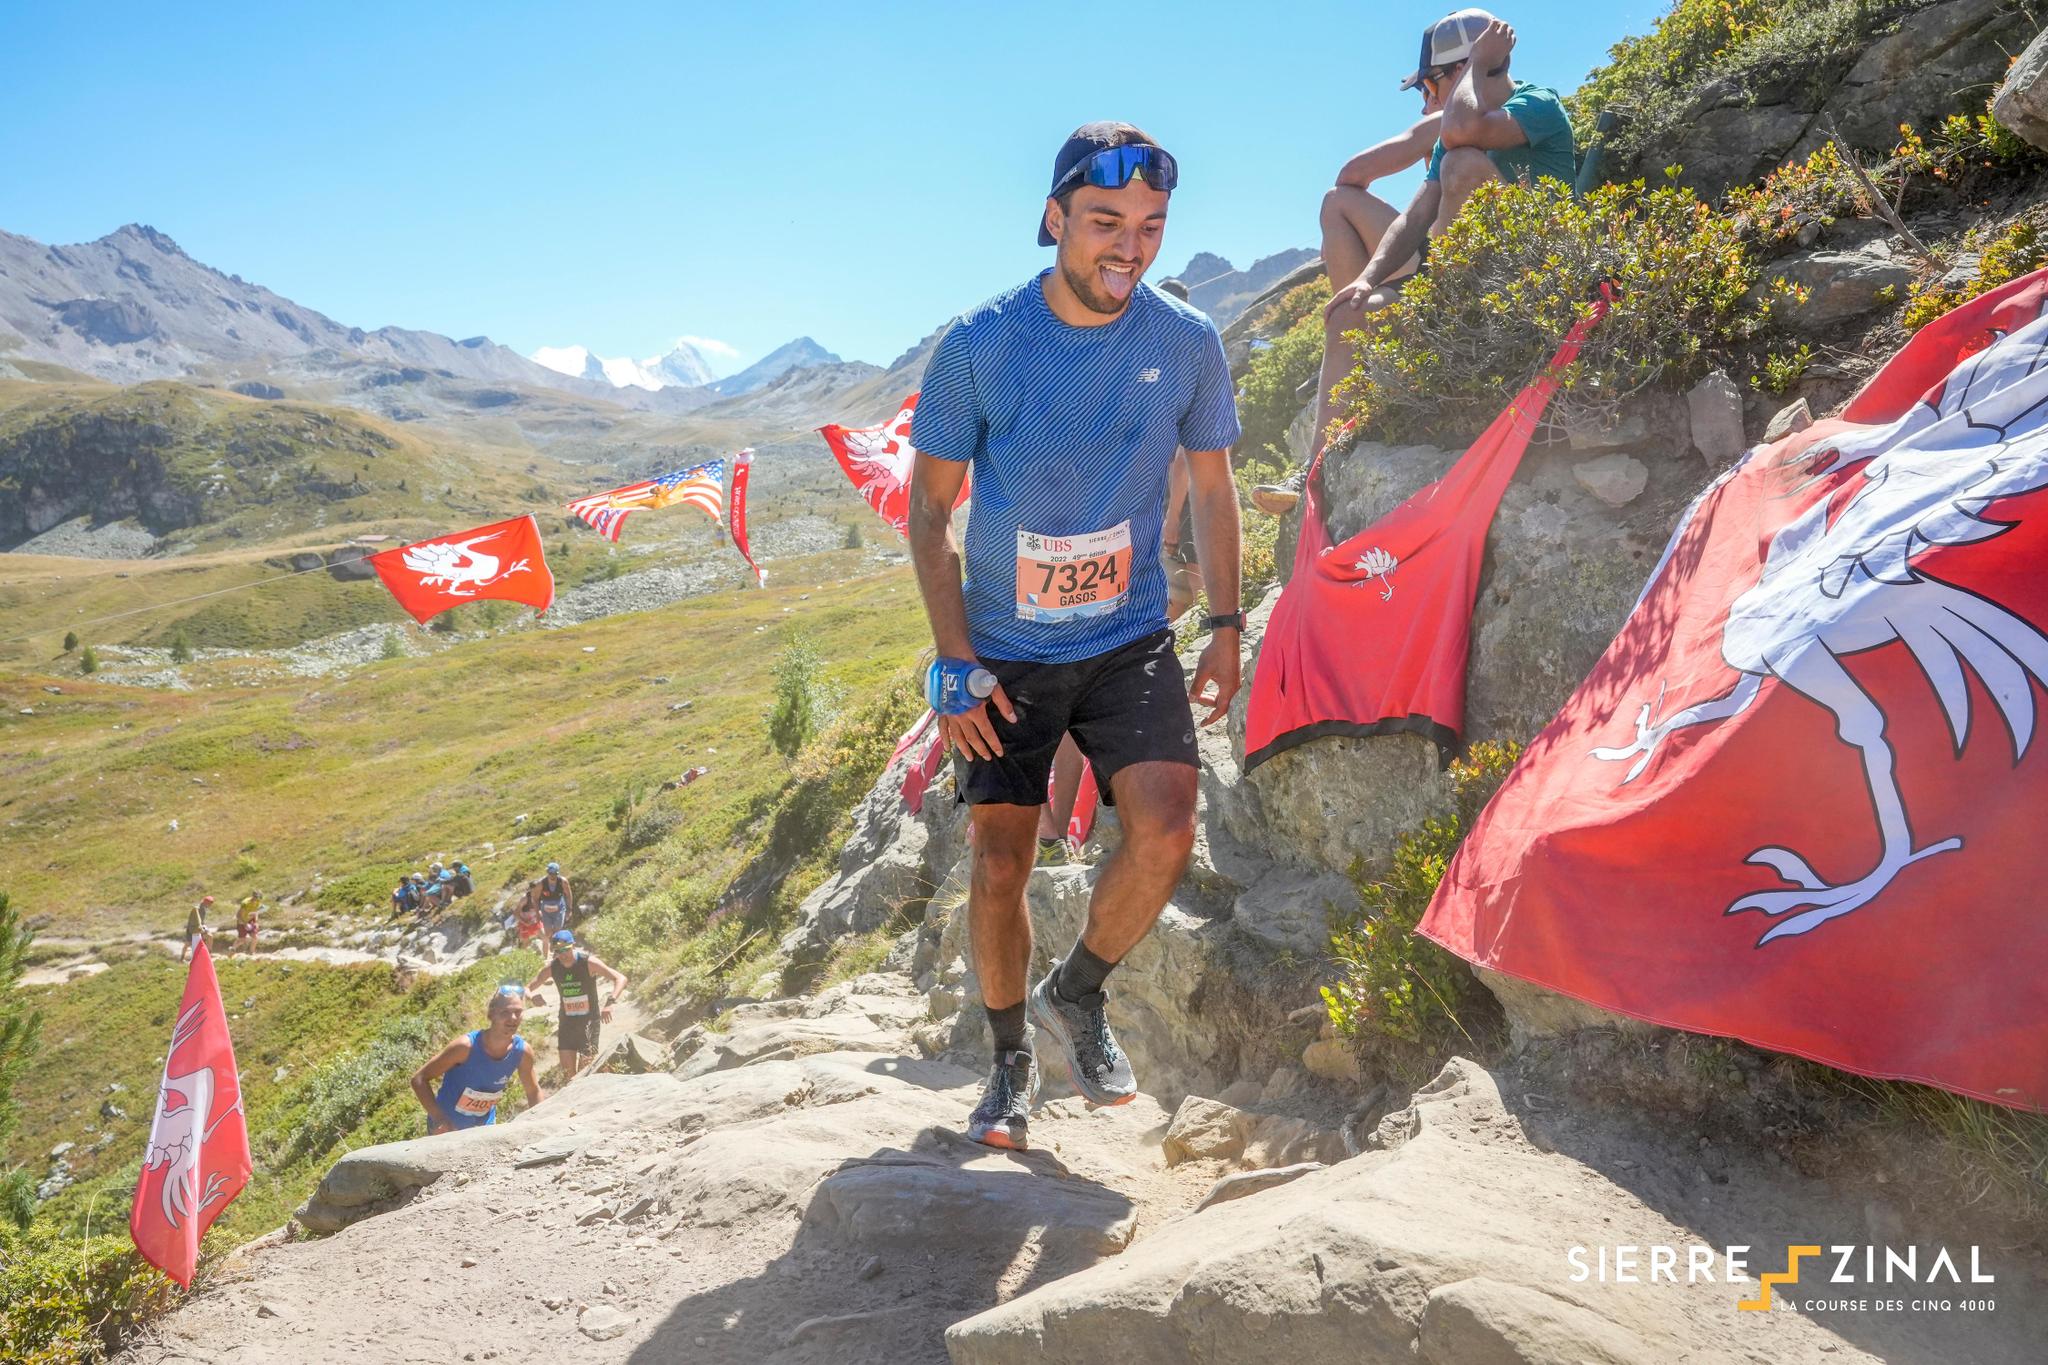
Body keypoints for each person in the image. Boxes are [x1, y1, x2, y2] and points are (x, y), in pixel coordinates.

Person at [907, 121, 1243, 1151]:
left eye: (1150, 226)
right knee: (1000, 862)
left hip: (1127, 633)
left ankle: (1079, 990)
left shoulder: (1185, 341)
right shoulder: (979, 344)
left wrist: (1227, 625)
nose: (1128, 248)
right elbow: (928, 512)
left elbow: (1215, 490)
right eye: (1104, 222)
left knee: (1167, 826)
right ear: (1054, 219)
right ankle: (1009, 1061)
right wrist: (954, 658)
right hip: (1005, 652)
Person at [1263, 10, 1575, 513]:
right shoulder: (1453, 132)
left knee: (1462, 162)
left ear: (1467, 67)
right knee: (1347, 314)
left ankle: (1440, 312)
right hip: (1442, 284)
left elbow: (1464, 130)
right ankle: (1313, 471)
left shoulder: (1536, 105)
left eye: (1431, 82)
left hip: (1519, 282)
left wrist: (1477, 66)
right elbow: (1414, 216)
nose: (1429, 95)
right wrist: (1366, 280)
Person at [410, 985, 544, 1134]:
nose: (512, 1018)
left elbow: (533, 1091)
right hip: (448, 1129)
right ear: (491, 1014)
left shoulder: (522, 1052)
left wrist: (539, 1124)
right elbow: (419, 1079)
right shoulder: (465, 1047)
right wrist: (439, 1118)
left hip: (483, 1129)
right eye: (505, 1012)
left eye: (518, 1012)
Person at [525, 930, 626, 1082]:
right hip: (567, 1023)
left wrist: (610, 1002)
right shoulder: (553, 967)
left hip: (589, 1023)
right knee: (569, 1077)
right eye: (558, 951)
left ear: (573, 946)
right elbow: (527, 988)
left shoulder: (588, 963)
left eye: (565, 949)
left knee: (584, 1076)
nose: (563, 954)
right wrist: (532, 997)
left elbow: (620, 978)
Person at [528, 862, 573, 937]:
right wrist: (537, 912)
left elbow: (568, 895)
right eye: (550, 873)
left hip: (559, 908)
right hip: (546, 911)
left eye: (554, 874)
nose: (552, 876)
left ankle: (556, 942)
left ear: (557, 873)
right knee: (548, 932)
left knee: (558, 930)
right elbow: (535, 899)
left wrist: (569, 909)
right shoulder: (541, 883)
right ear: (547, 872)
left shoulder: (563, 882)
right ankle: (550, 943)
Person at [181, 895, 214, 963]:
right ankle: (182, 957)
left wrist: (204, 928)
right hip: (193, 929)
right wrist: (202, 928)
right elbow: (195, 921)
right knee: (188, 943)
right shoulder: (197, 908)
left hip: (198, 929)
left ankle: (208, 954)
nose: (210, 905)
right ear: (206, 902)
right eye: (210, 903)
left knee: (209, 937)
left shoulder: (203, 908)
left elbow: (201, 921)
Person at [233, 891, 262, 957]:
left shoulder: (258, 902)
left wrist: (256, 922)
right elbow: (239, 915)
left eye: (259, 898)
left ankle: (251, 952)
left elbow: (256, 912)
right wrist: (245, 923)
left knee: (255, 937)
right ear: (253, 896)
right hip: (242, 921)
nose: (257, 899)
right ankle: (232, 949)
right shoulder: (245, 903)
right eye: (256, 897)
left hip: (250, 920)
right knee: (242, 940)